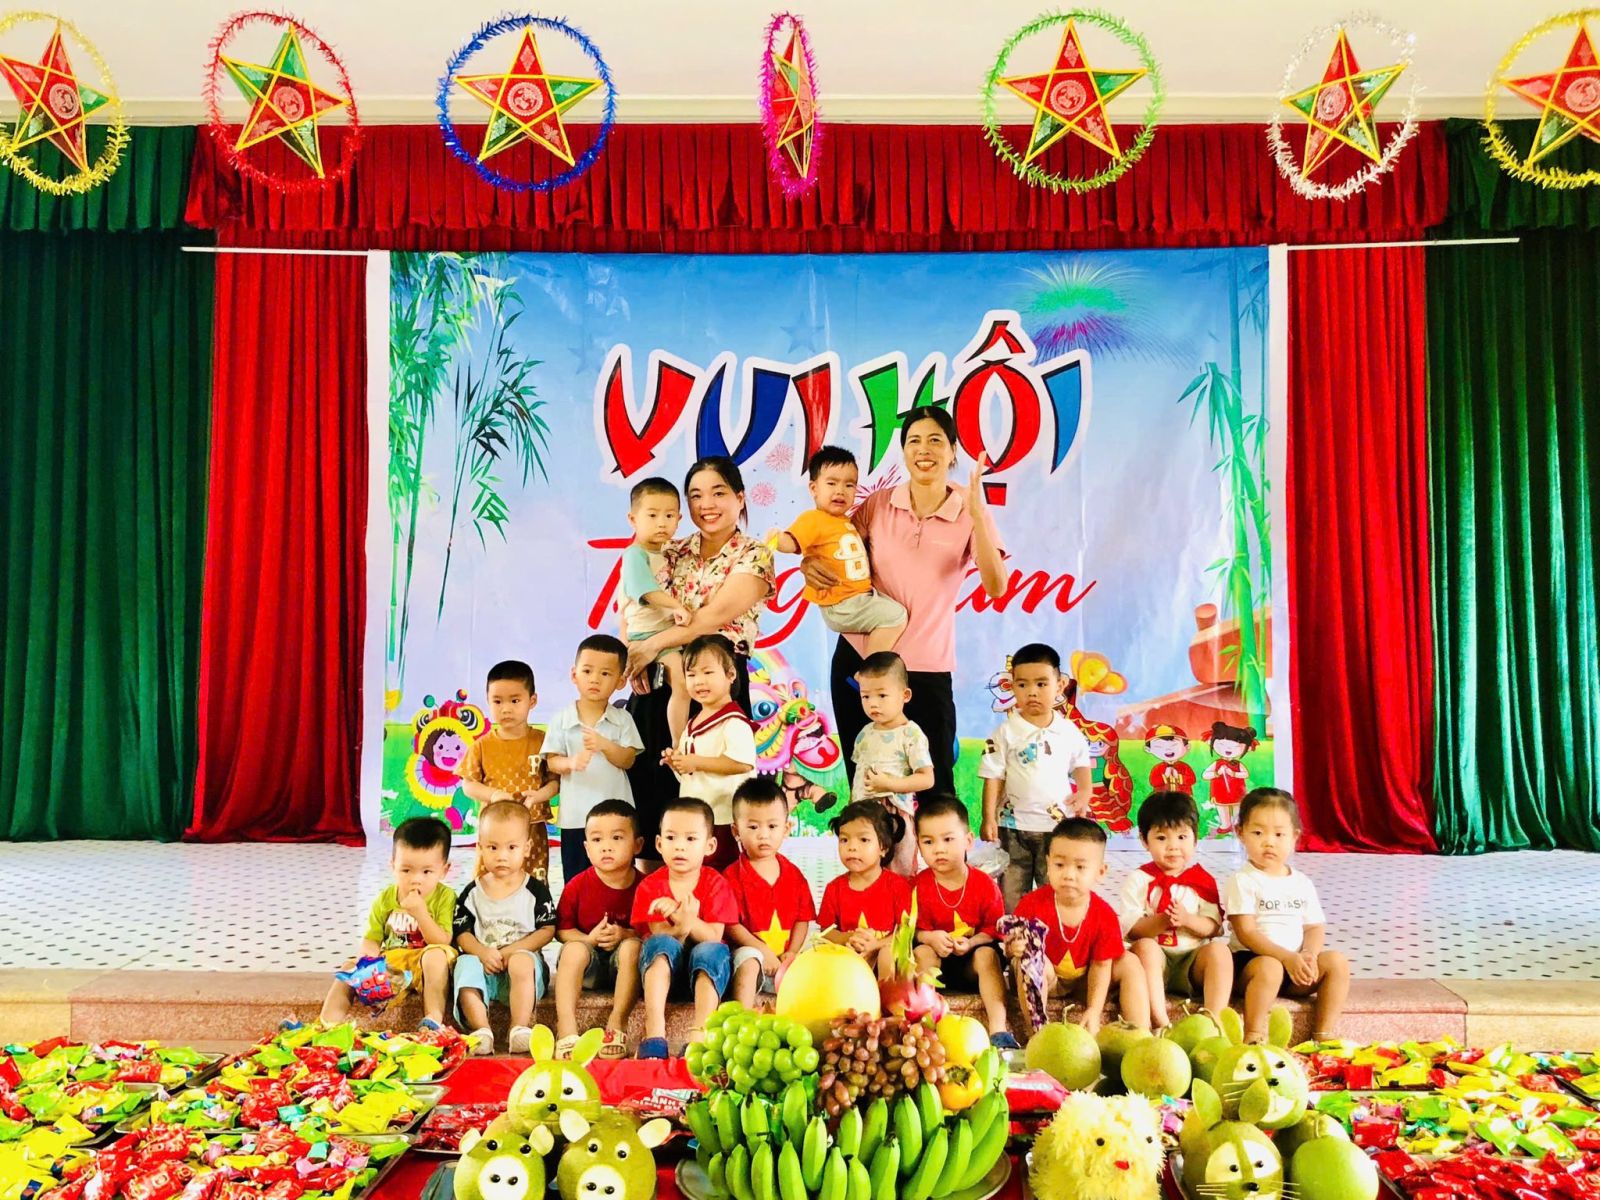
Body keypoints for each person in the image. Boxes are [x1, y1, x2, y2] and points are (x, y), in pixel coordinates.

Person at [809, 409, 1006, 795]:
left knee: (937, 787)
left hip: (926, 667)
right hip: (861, 660)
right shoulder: (878, 504)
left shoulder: (970, 508)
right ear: (903, 451)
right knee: (865, 783)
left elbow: (996, 586)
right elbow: (837, 550)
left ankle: (937, 839)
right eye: (914, 441)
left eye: (935, 440)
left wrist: (978, 517)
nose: (923, 449)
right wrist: (810, 564)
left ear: (953, 451)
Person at [624, 457, 775, 864]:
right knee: (654, 790)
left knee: (714, 795)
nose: (706, 504)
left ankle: (718, 893)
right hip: (659, 677)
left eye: (718, 492)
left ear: (740, 498)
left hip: (717, 685)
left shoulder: (754, 555)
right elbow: (635, 601)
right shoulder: (670, 550)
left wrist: (651, 647)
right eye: (695, 495)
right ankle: (653, 892)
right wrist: (635, 653)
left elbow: (711, 618)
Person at [1225, 788, 1349, 1043]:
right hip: (1253, 965)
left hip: (1294, 967)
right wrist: (1285, 957)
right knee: (1270, 967)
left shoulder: (1301, 882)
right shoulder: (1243, 880)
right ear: (1240, 833)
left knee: (1337, 962)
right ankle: (1253, 1035)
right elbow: (1246, 932)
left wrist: (1309, 954)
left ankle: (1323, 1036)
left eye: (1279, 834)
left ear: (1294, 837)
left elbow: (1314, 927)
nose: (1269, 842)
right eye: (1258, 833)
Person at [1008, 817, 1149, 1035]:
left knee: (1129, 962)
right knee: (1032, 959)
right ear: (1048, 864)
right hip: (1048, 980)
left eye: (1080, 867)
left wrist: (1094, 1010)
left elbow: (1101, 967)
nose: (1069, 875)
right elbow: (1010, 949)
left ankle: (1141, 1035)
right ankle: (1036, 1033)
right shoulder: (1031, 905)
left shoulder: (1104, 915)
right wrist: (1014, 948)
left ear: (1100, 872)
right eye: (1059, 865)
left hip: (1086, 982)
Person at [978, 643, 1094, 908]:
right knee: (1011, 889)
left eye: (1041, 684)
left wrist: (1085, 792)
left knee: (1051, 888)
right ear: (1012, 686)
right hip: (1012, 826)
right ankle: (1013, 931)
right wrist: (988, 818)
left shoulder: (1069, 731)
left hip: (1056, 826)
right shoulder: (1005, 732)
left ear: (1060, 684)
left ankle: (1050, 929)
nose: (1032, 692)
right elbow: (993, 776)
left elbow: (1081, 763)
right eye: (1022, 685)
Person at [767, 445, 907, 655]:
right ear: (814, 489)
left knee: (892, 611)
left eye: (849, 485)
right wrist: (777, 539)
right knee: (896, 616)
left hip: (858, 598)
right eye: (831, 483)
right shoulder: (813, 519)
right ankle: (873, 667)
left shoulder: (846, 522)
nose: (840, 491)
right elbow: (792, 543)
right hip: (841, 604)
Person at [320, 816, 457, 1029]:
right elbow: (372, 939)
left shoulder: (445, 896)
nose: (416, 879)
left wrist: (421, 914)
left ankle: (433, 1020)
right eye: (406, 870)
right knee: (349, 968)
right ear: (393, 866)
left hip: (428, 963)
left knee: (435, 955)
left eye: (427, 872)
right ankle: (326, 1025)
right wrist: (367, 964)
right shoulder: (385, 899)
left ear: (444, 871)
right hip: (396, 966)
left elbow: (442, 940)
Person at [632, 797, 737, 1059]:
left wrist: (686, 920)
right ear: (659, 844)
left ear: (709, 845)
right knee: (660, 944)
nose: (680, 846)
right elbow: (659, 936)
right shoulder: (650, 886)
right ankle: (654, 1033)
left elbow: (714, 935)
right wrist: (680, 927)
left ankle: (699, 1035)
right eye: (671, 838)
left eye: (691, 839)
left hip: (706, 977)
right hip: (664, 975)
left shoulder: (716, 883)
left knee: (710, 950)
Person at [451, 802, 556, 1056]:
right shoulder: (472, 892)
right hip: (484, 969)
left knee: (521, 961)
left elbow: (547, 930)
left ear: (527, 848)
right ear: (479, 848)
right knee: (464, 963)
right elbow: (462, 932)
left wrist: (511, 951)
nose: (502, 856)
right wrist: (481, 952)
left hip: (522, 971)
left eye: (511, 847)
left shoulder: (535, 890)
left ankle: (519, 1027)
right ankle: (481, 1029)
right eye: (493, 847)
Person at [1118, 791, 1230, 1028]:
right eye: (1161, 838)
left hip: (1193, 960)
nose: (1173, 847)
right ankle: (1160, 1020)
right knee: (1145, 948)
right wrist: (1161, 921)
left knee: (1220, 951)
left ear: (1195, 839)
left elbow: (1213, 927)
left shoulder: (1202, 880)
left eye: (1182, 837)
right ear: (1144, 840)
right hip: (1155, 961)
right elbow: (1132, 929)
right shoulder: (1139, 879)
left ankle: (1214, 1020)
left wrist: (1188, 920)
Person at [911, 794, 1013, 1048]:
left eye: (948, 839)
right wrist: (930, 937)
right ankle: (924, 1026)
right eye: (928, 841)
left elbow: (993, 930)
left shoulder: (984, 884)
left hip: (972, 966)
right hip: (937, 964)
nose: (939, 849)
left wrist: (971, 943)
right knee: (922, 952)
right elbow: (912, 930)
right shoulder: (917, 886)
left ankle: (999, 1030)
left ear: (968, 841)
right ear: (918, 845)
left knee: (987, 955)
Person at [542, 635, 643, 882]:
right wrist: (570, 763)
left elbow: (628, 760)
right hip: (576, 817)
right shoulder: (561, 719)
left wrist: (605, 745)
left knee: (619, 876)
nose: (595, 679)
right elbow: (552, 761)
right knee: (577, 878)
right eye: (587, 671)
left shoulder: (623, 719)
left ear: (620, 681)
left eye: (605, 673)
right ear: (574, 674)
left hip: (618, 816)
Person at [553, 799, 644, 1060]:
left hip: (625, 970)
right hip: (589, 968)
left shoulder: (646, 886)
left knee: (633, 947)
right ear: (586, 847)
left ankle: (617, 1022)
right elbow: (562, 931)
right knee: (573, 950)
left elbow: (653, 931)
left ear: (637, 844)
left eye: (617, 838)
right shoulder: (576, 886)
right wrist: (589, 939)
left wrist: (626, 934)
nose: (606, 846)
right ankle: (566, 1028)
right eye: (596, 839)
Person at [456, 660, 559, 879]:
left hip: (531, 826)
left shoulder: (544, 741)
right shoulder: (482, 745)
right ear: (488, 701)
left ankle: (534, 903)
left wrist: (539, 795)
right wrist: (494, 795)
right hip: (494, 830)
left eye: (515, 700)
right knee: (489, 879)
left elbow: (555, 782)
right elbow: (468, 785)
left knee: (534, 879)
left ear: (532, 701)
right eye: (497, 701)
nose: (506, 709)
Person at [664, 634, 757, 871]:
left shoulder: (734, 722)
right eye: (691, 674)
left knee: (724, 878)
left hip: (724, 820)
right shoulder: (692, 722)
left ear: (731, 674)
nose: (699, 682)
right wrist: (677, 763)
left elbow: (741, 763)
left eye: (707, 672)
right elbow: (692, 772)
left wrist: (695, 762)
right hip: (697, 820)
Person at [724, 777, 816, 1008]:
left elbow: (802, 919)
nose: (763, 835)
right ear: (736, 831)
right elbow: (731, 924)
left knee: (814, 961)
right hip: (749, 958)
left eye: (772, 826)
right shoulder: (731, 877)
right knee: (749, 961)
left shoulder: (794, 875)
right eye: (753, 827)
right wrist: (762, 950)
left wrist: (792, 952)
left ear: (786, 829)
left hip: (784, 960)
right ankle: (743, 1014)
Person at [619, 478, 693, 744]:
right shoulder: (634, 555)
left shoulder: (671, 554)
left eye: (669, 516)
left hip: (667, 635)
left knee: (685, 684)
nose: (662, 523)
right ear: (633, 519)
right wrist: (677, 606)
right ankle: (677, 744)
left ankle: (679, 742)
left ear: (679, 519)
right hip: (647, 636)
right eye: (652, 515)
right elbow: (646, 592)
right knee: (681, 684)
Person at [849, 651, 934, 877]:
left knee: (899, 870)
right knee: (865, 869)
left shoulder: (911, 733)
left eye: (882, 695)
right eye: (866, 696)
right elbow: (858, 776)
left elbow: (927, 778)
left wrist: (889, 784)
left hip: (895, 815)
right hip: (863, 813)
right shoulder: (865, 733)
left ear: (905, 695)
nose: (873, 703)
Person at [817, 801, 912, 980]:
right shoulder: (834, 888)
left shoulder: (898, 886)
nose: (852, 847)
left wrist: (876, 945)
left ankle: (886, 996)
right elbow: (826, 931)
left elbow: (905, 933)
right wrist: (847, 939)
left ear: (883, 847)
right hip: (851, 957)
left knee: (887, 954)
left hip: (886, 957)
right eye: (844, 840)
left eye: (863, 840)